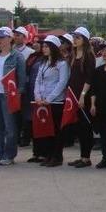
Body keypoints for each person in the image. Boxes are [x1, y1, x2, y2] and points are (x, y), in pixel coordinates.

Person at [32, 36, 69, 167]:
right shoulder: (43, 63)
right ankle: (48, 154)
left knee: (56, 130)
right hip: (42, 101)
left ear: (53, 48)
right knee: (46, 129)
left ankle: (57, 156)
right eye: (43, 46)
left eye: (47, 46)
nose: (44, 49)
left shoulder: (62, 63)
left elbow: (62, 83)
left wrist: (49, 99)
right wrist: (37, 96)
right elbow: (38, 80)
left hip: (55, 102)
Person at [66, 27, 96, 168]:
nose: (75, 39)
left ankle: (86, 158)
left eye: (78, 37)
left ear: (84, 40)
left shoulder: (89, 56)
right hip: (73, 94)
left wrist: (83, 96)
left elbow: (89, 78)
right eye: (74, 37)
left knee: (85, 127)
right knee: (78, 127)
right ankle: (81, 156)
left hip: (84, 95)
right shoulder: (72, 55)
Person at [0, 27, 27, 165]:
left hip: (8, 95)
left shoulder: (17, 57)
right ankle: (0, 154)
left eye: (2, 38)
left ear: (10, 39)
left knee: (10, 127)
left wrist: (18, 95)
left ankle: (9, 155)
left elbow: (22, 79)